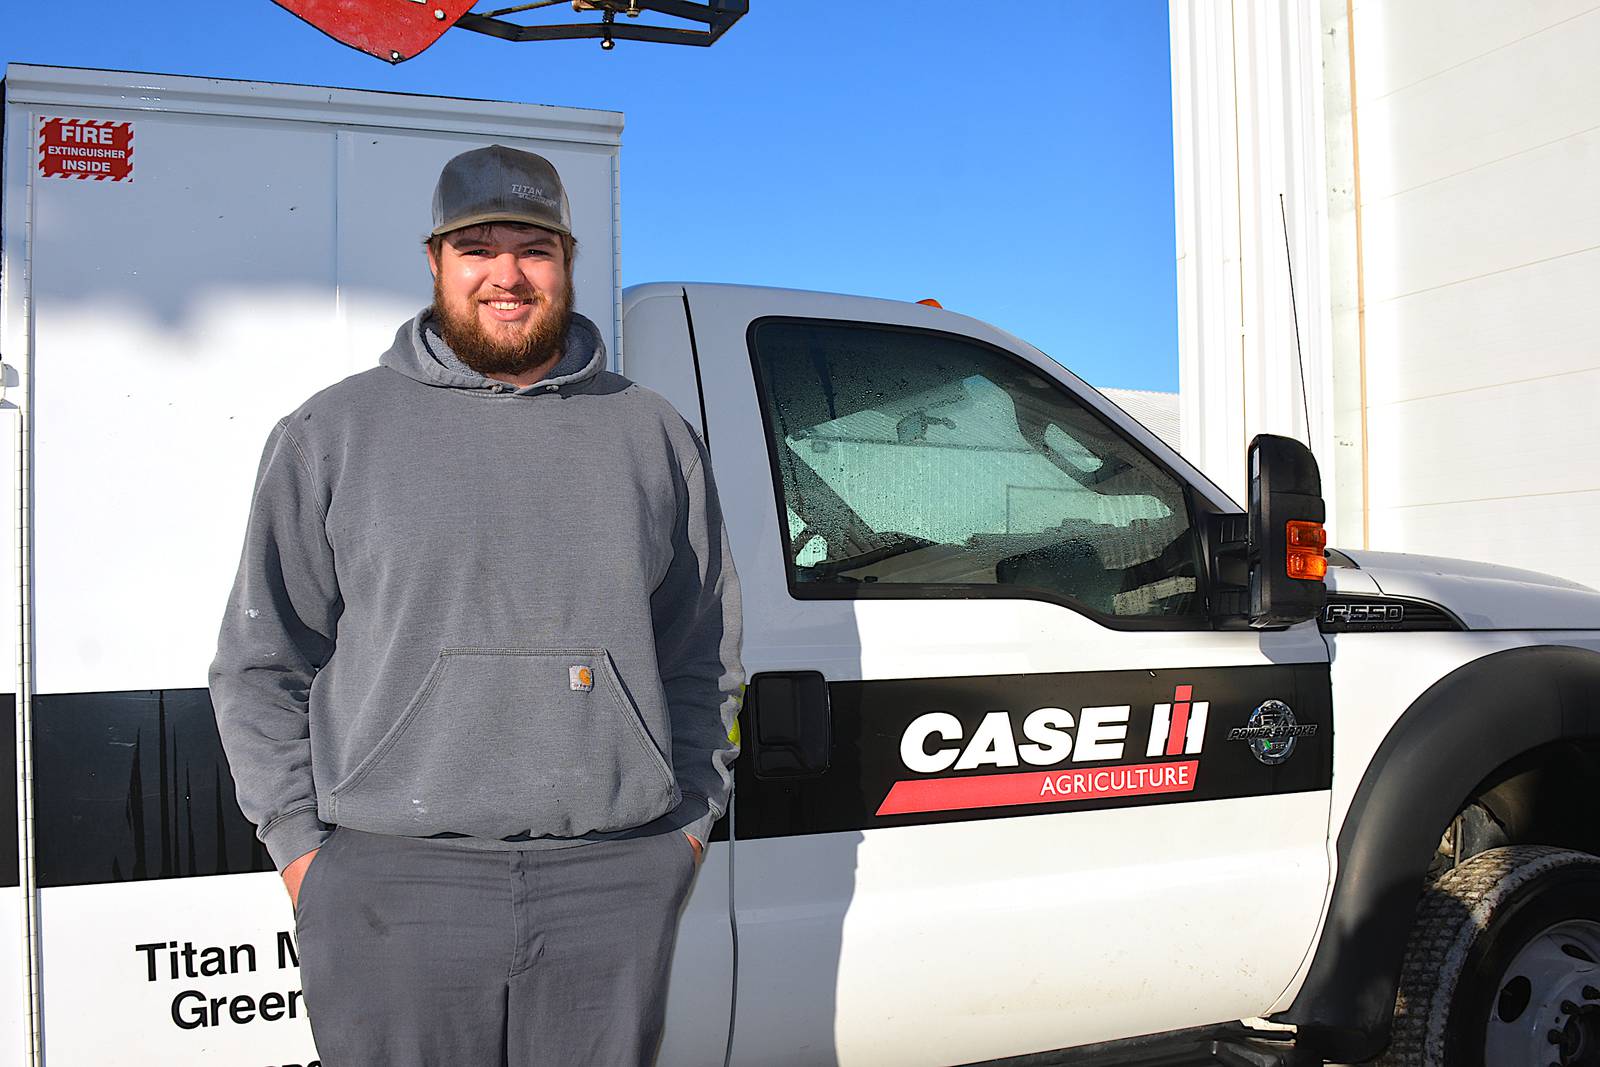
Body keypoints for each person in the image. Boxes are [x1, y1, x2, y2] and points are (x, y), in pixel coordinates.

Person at [209, 144, 743, 1066]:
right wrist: (306, 854)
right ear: (435, 262)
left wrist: (683, 833)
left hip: (612, 879)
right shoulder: (331, 433)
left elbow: (704, 655)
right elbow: (262, 663)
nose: (507, 274)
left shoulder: (653, 434)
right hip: (392, 883)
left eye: (533, 248)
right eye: (478, 248)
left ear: (568, 262)